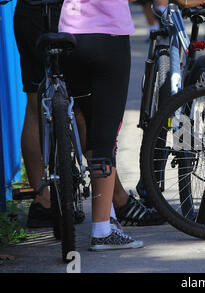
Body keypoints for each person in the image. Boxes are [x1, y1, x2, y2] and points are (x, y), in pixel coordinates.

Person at [59, 0, 205, 251]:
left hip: (69, 34)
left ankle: (106, 211)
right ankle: (101, 230)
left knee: (84, 118)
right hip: (109, 36)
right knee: (106, 134)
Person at [13, 0, 164, 229]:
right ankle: (117, 201)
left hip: (29, 10)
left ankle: (42, 200)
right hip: (66, 13)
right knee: (86, 111)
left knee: (35, 104)